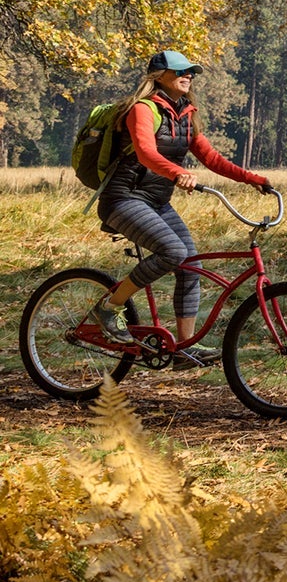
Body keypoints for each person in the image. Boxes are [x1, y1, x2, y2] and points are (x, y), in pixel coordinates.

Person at [87, 50, 271, 368]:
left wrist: (251, 178)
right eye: (181, 71)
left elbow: (211, 158)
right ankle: (109, 307)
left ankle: (184, 350)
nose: (188, 76)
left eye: (191, 72)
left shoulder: (185, 114)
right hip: (123, 199)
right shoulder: (142, 109)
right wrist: (177, 173)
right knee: (173, 252)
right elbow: (145, 152)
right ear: (160, 75)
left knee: (189, 265)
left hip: (157, 202)